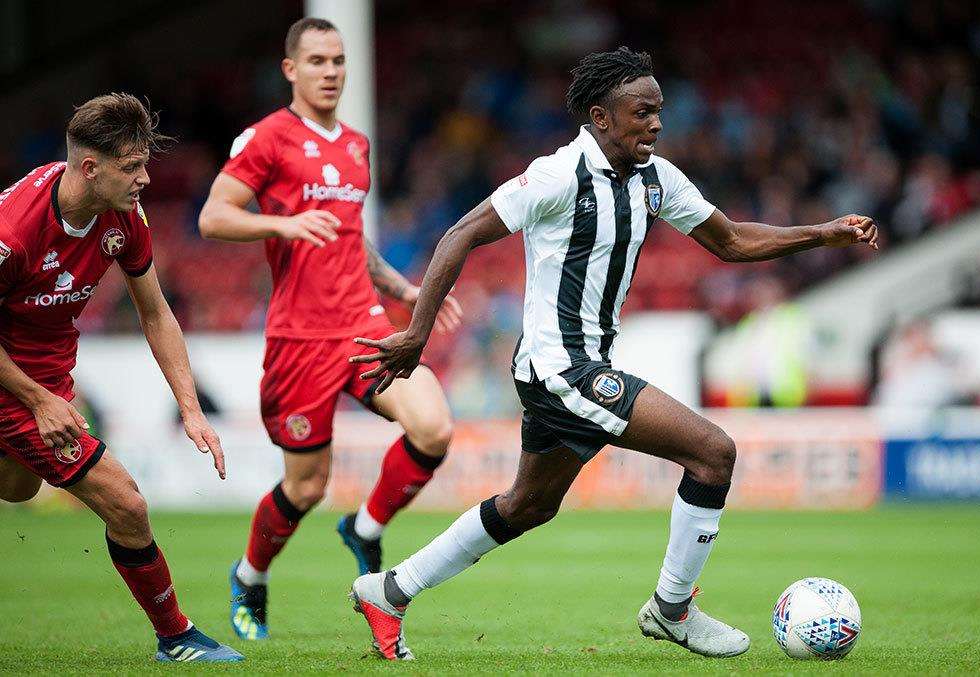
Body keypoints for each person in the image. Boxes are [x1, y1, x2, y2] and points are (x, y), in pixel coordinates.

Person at [348, 47, 879, 660]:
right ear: (601, 116)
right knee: (712, 454)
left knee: (528, 505)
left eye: (659, 111)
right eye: (642, 112)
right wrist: (417, 332)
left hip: (573, 368)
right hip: (561, 370)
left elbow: (731, 241)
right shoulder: (555, 175)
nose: (655, 124)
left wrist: (823, 231)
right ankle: (673, 609)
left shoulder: (657, 178)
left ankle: (388, 590)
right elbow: (460, 233)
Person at [198, 17, 462, 641]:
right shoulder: (267, 139)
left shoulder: (356, 145)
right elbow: (214, 217)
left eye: (338, 61)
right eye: (317, 61)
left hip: (362, 325)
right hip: (299, 338)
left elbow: (349, 233)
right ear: (291, 69)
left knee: (434, 426)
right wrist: (282, 226)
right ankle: (250, 574)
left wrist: (401, 289)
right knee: (307, 486)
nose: (331, 72)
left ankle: (366, 528)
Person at [0, 93, 242, 662]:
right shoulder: (13, 230)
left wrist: (189, 407)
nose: (145, 177)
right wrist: (37, 401)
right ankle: (176, 637)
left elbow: (155, 312)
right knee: (126, 504)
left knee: (16, 487)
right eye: (132, 165)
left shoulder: (123, 219)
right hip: (14, 381)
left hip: (48, 374)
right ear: (91, 168)